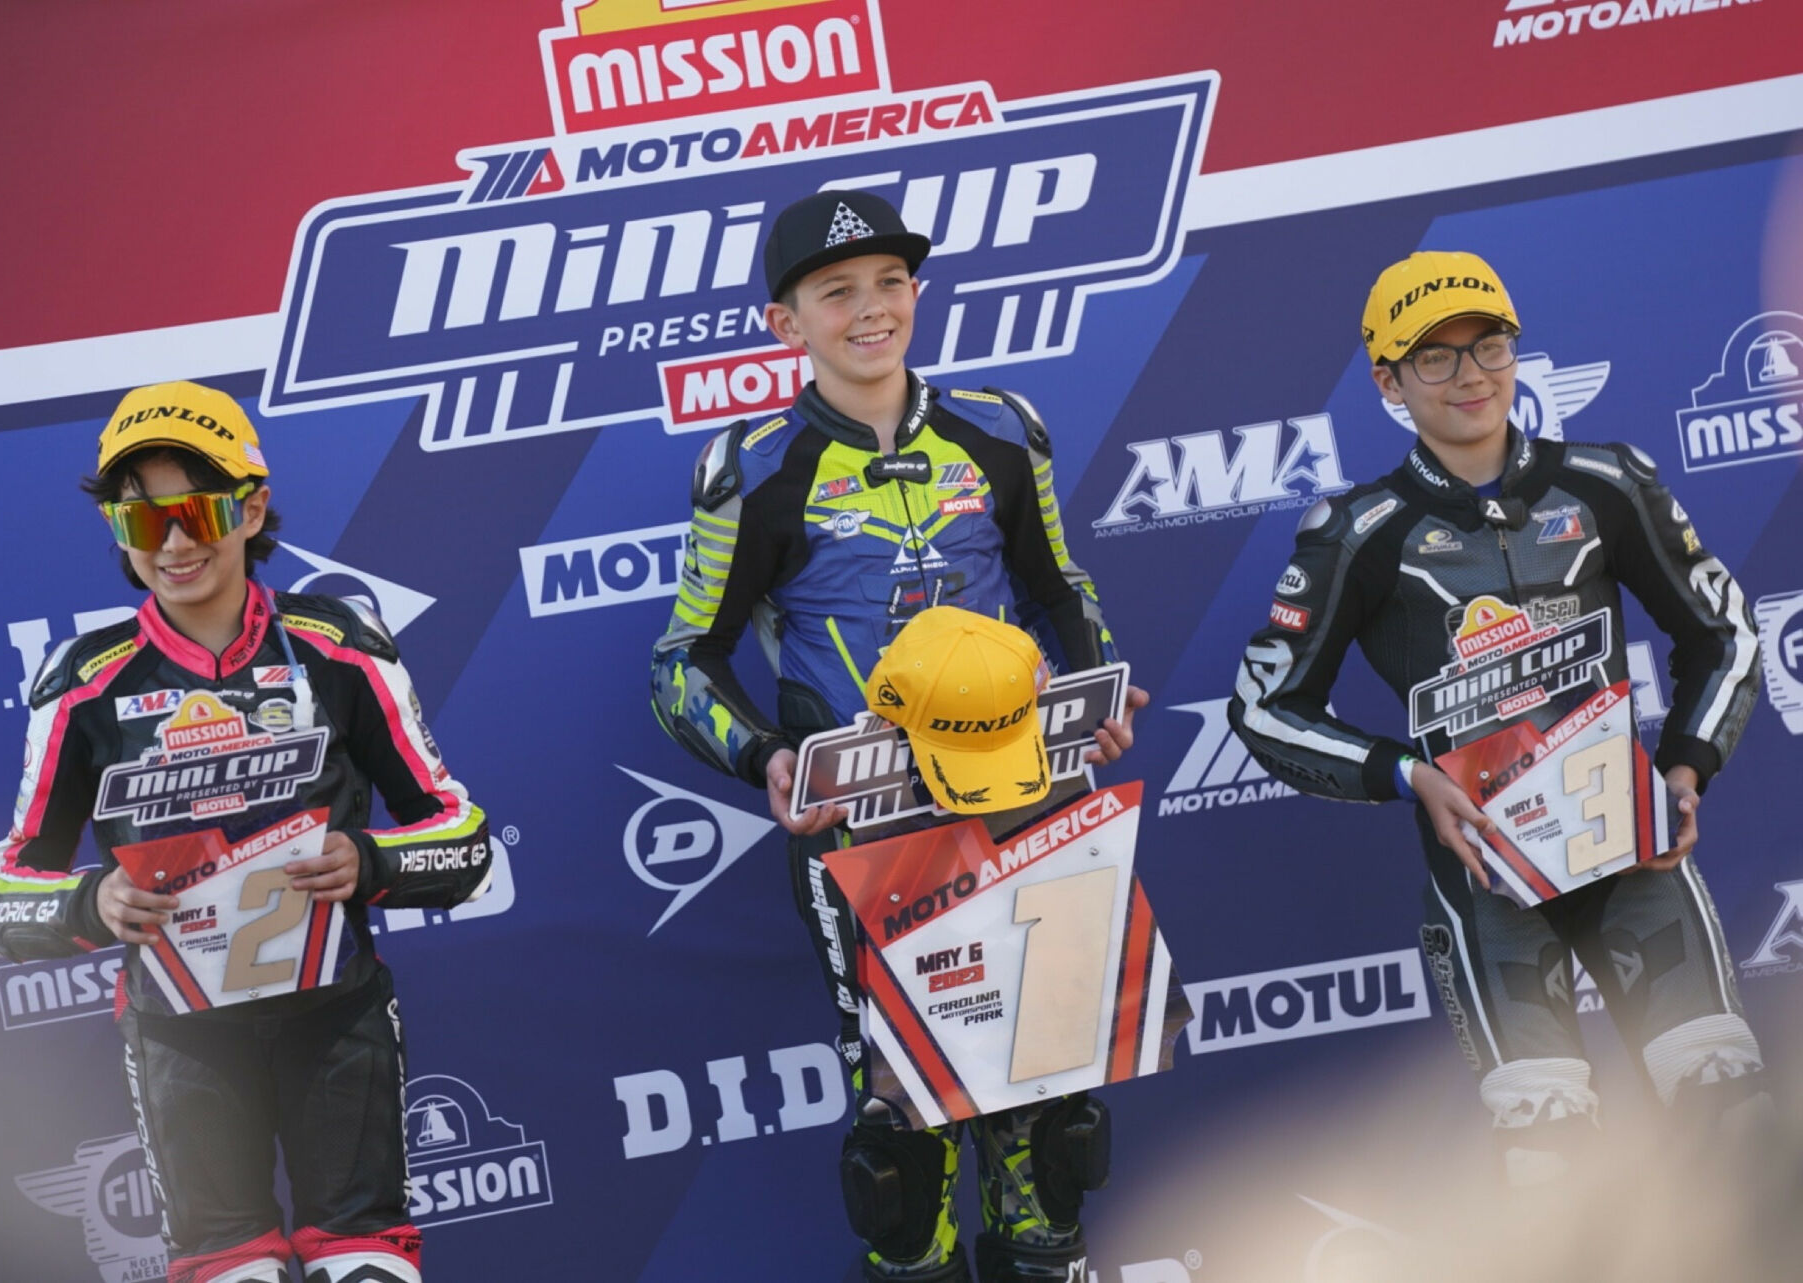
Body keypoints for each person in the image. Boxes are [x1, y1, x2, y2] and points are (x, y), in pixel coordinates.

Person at [649, 189, 1146, 1282]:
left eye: (890, 282)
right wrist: (765, 757)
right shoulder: (757, 467)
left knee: (1051, 1132)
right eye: (838, 292)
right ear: (787, 323)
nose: (871, 309)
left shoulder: (1001, 426)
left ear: (916, 291)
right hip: (865, 830)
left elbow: (1062, 588)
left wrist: (1098, 693)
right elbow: (681, 663)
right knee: (904, 1144)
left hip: (1027, 805)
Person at [1229, 251, 1768, 1183]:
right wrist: (1410, 776)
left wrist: (1685, 765)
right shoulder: (1357, 531)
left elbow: (1724, 631)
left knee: (1736, 1123)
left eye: (1489, 345)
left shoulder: (1607, 480)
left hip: (1635, 854)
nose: (1469, 373)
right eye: (1432, 357)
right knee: (1547, 1164)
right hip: (1484, 880)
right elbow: (1264, 708)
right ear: (1386, 379)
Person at [0, 381, 491, 1283]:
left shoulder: (338, 644)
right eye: (143, 523)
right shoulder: (84, 681)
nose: (175, 544)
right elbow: (1, 898)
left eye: (198, 510)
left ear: (251, 507)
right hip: (182, 1034)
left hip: (336, 1015)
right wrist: (91, 900)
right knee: (229, 1271)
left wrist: (368, 861)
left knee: (368, 1264)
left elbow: (464, 837)